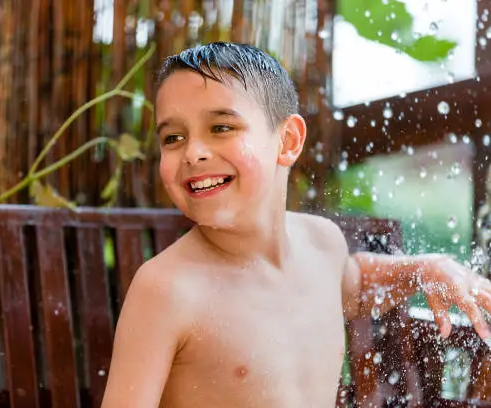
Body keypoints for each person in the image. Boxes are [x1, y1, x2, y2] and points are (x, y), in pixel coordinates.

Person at [100, 42, 491, 408]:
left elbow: (355, 284)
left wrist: (425, 268)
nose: (194, 152)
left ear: (288, 141)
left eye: (221, 128)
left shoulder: (321, 243)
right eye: (173, 137)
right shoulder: (166, 289)